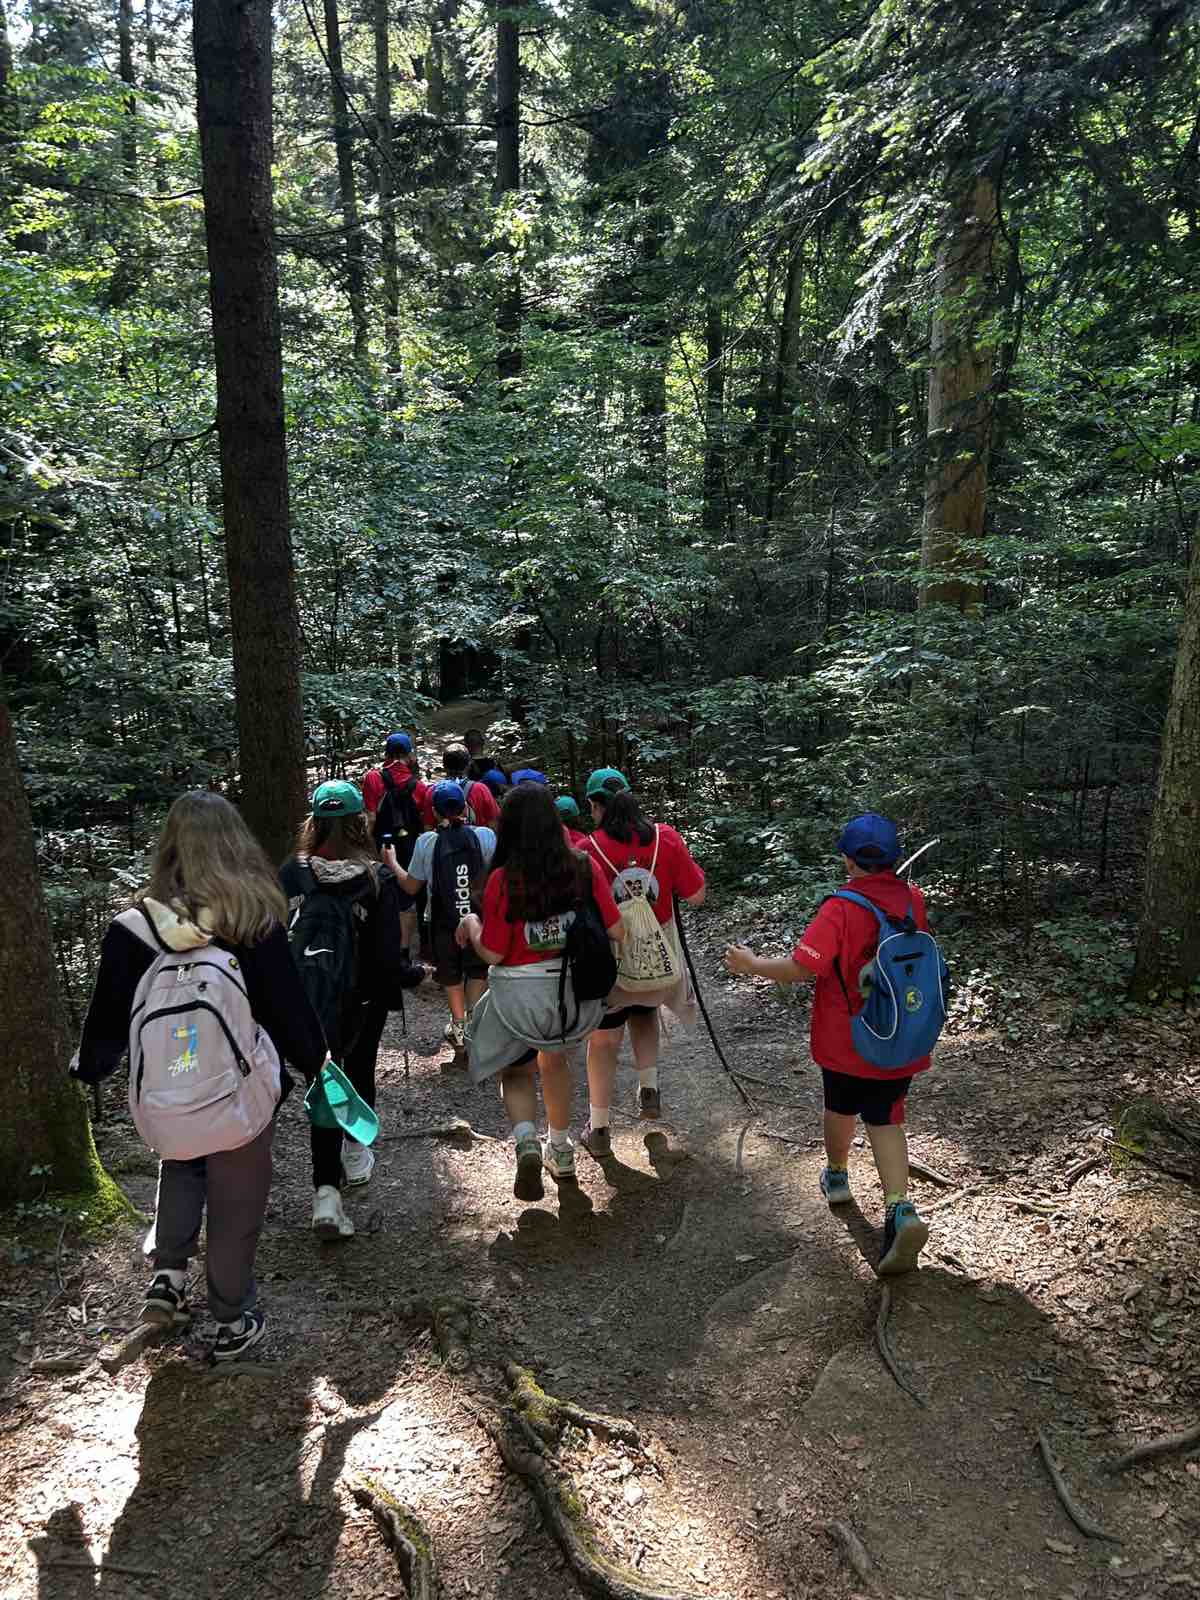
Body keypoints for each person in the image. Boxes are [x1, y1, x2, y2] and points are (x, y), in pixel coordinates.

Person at [70, 791, 326, 1359]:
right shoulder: (252, 919)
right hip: (237, 1097)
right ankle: (232, 1320)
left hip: (165, 1098)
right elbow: (286, 1007)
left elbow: (107, 1017)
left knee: (181, 1161)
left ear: (169, 848)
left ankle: (168, 1277)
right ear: (235, 844)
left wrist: (90, 1068)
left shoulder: (133, 928)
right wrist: (315, 1063)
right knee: (236, 1199)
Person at [724, 813, 933, 1276]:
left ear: (848, 860)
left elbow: (802, 968)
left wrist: (752, 963)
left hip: (848, 1039)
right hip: (903, 1036)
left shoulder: (841, 907)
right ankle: (900, 1208)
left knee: (840, 1107)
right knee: (886, 1118)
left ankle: (837, 1177)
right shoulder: (913, 900)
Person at [454, 784, 623, 1199]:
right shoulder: (582, 867)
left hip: (518, 997)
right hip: (574, 994)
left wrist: (471, 925)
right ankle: (560, 1150)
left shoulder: (502, 880)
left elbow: (493, 953)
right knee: (555, 1059)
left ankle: (527, 1140)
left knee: (516, 1070)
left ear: (507, 828)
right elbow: (617, 930)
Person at [281, 780, 423, 1242]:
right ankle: (357, 1154)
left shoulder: (292, 873)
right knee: (359, 1070)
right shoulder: (375, 878)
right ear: (360, 821)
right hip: (361, 1001)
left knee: (322, 1080)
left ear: (315, 823)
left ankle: (326, 1193)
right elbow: (386, 958)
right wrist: (408, 975)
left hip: (307, 999)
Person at [579, 769, 705, 1150]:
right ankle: (649, 1088)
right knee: (646, 1012)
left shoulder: (587, 849)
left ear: (595, 806)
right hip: (656, 961)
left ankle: (599, 1128)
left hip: (612, 963)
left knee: (603, 1041)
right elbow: (696, 895)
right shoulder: (666, 838)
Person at [393, 779, 496, 1062]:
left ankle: (460, 1038)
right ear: (465, 807)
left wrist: (391, 863)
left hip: (442, 923)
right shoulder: (485, 836)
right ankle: (476, 1032)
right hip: (477, 920)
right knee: (477, 973)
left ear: (435, 812)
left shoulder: (426, 842)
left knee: (452, 980)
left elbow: (411, 887)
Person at [362, 731, 427, 960]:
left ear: (386, 754)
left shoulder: (373, 778)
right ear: (410, 755)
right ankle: (415, 948)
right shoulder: (419, 786)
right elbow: (425, 823)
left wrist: (366, 847)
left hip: (384, 843)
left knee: (387, 893)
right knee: (413, 892)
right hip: (412, 845)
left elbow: (371, 817)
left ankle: (388, 945)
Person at [420, 743, 500, 830]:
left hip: (444, 838)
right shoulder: (481, 789)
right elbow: (493, 824)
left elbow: (428, 827)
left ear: (444, 766)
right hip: (474, 837)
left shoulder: (433, 791)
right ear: (469, 765)